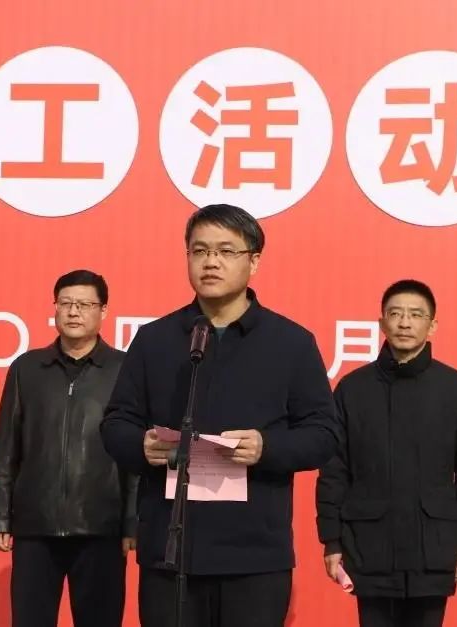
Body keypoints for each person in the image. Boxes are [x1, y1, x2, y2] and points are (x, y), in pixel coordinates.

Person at [100, 204, 339, 627]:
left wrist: (267, 447)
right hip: (171, 551)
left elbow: (324, 434)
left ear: (254, 261)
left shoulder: (291, 343)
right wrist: (141, 445)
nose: (211, 262)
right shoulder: (155, 340)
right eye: (200, 251)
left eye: (226, 251)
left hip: (254, 555)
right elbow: (116, 423)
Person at [316, 279, 457, 627]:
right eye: (395, 314)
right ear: (381, 323)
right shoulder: (353, 389)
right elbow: (334, 470)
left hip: (434, 548)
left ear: (433, 325)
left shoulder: (456, 389)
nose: (404, 322)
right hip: (369, 545)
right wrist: (332, 540)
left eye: (416, 315)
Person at [0, 270, 138, 627]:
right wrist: (0, 516)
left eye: (84, 304)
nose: (73, 312)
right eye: (65, 303)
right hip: (35, 526)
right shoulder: (27, 368)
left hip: (101, 527)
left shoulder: (124, 370)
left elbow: (134, 454)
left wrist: (132, 521)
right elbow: (6, 447)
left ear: (103, 311)